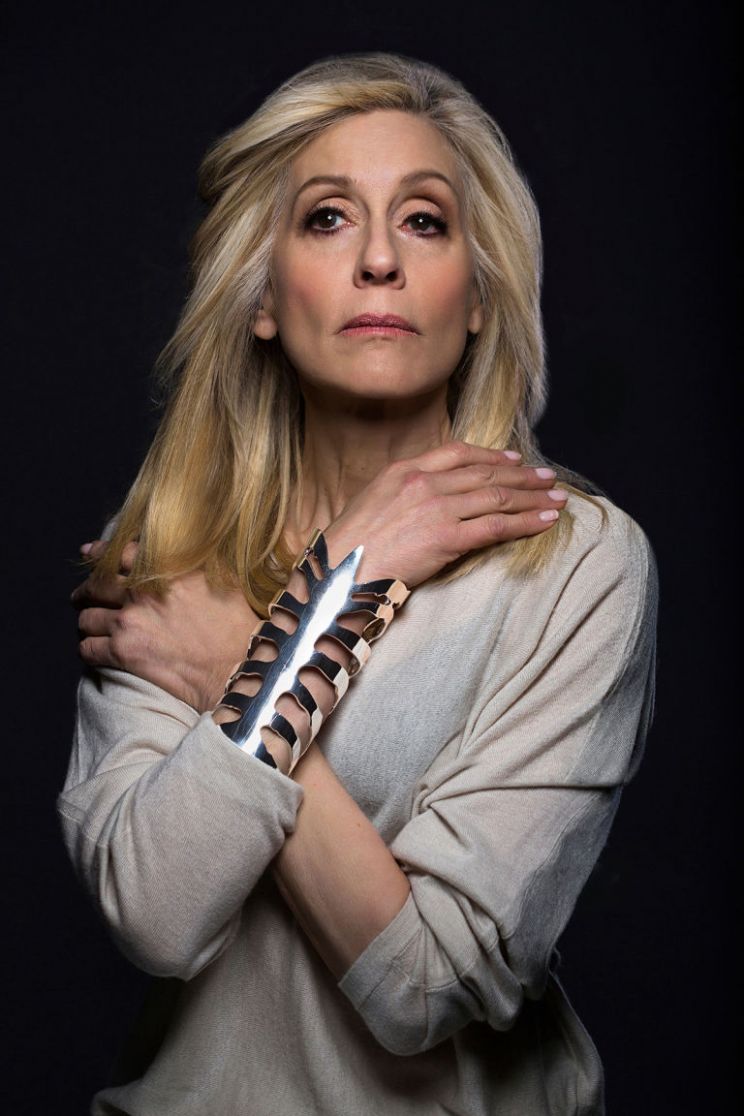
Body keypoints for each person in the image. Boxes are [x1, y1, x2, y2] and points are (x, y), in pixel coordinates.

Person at [61, 52, 658, 1116]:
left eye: (424, 221)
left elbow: (425, 987)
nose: (379, 259)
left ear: (479, 298)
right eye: (329, 218)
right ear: (262, 296)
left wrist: (259, 645)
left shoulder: (574, 562)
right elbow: (157, 911)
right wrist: (350, 574)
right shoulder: (170, 553)